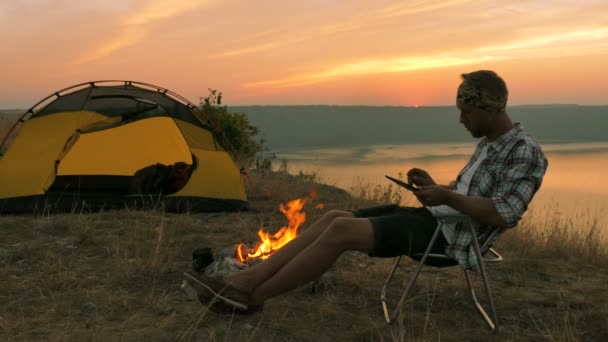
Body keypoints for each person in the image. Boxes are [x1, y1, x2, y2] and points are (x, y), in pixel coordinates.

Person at [184, 70, 548, 314]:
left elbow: (503, 213)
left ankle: (250, 296)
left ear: (487, 107)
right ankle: (245, 282)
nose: (461, 119)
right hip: (437, 220)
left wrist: (448, 198)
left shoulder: (525, 151)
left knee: (341, 233)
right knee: (333, 217)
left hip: (453, 239)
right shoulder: (490, 142)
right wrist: (435, 188)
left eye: (466, 111)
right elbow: (467, 191)